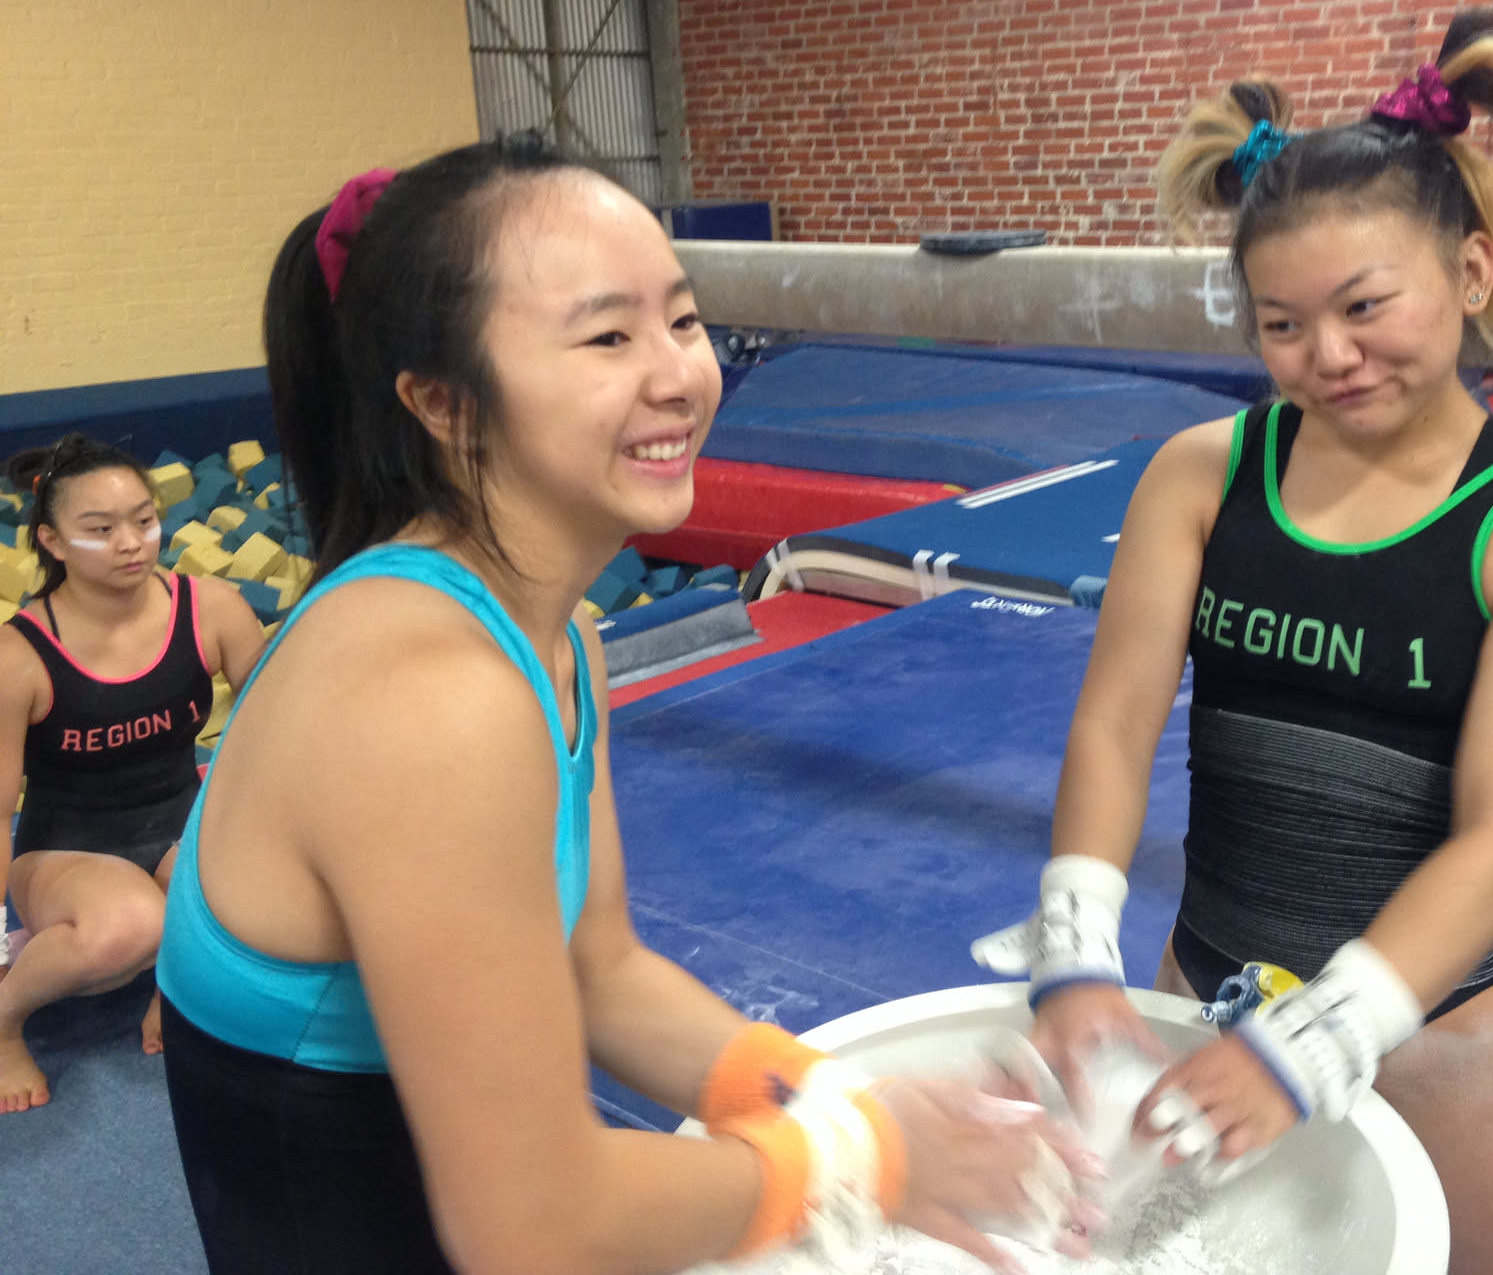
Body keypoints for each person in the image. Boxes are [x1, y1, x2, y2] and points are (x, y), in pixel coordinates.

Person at [154, 135, 1082, 1275]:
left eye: (683, 320)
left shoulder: (563, 641)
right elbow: (533, 1226)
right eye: (608, 336)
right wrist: (867, 1162)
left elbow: (599, 971)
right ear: (443, 402)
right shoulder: (428, 701)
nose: (680, 374)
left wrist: (834, 1097)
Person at [976, 10, 1493, 1275]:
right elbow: (1113, 724)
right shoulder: (1201, 476)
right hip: (1202, 1000)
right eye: (1281, 324)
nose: (1329, 356)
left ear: (1473, 273)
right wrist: (1074, 933)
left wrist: (1330, 1031)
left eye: (1365, 306)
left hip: (1423, 1037)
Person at [0, 435, 264, 1113]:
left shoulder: (212, 609)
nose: (131, 543)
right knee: (133, 925)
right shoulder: (18, 656)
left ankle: (172, 987)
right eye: (100, 529)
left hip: (181, 821)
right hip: (67, 849)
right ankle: (4, 1019)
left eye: (143, 520)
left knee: (263, 899)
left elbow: (280, 741)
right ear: (52, 542)